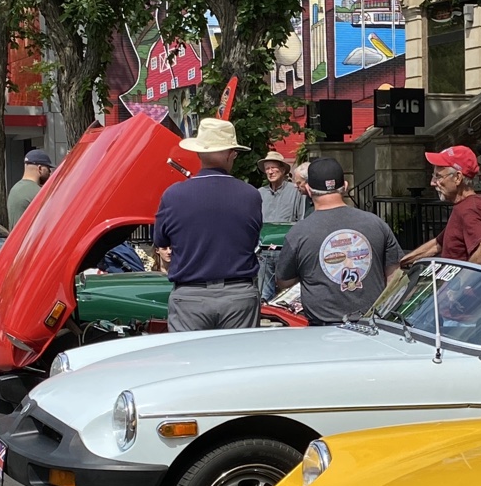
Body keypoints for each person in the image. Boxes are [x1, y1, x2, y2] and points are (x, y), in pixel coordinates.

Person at [154, 117, 262, 331]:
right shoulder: (250, 195)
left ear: (198, 153)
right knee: (239, 363)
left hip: (190, 296)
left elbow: (161, 240)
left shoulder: (174, 195)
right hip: (238, 295)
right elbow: (253, 237)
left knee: (190, 363)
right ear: (231, 154)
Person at [276, 157, 403, 326]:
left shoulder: (298, 232)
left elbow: (284, 280)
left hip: (323, 328)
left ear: (308, 188)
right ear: (345, 186)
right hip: (374, 326)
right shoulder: (376, 223)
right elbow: (395, 276)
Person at [400, 145, 481, 267]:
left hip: (465, 286)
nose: (433, 182)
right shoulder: (462, 206)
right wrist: (402, 263)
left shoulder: (470, 209)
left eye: (438, 176)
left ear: (457, 178)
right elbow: (437, 245)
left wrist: (459, 279)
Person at [257, 151, 308, 302]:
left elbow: (302, 219)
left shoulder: (295, 191)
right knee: (264, 296)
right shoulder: (260, 193)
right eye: (267, 168)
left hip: (286, 248)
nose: (270, 171)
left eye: (273, 167)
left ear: (283, 170)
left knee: (287, 295)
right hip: (263, 250)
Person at [7, 149, 54, 228]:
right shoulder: (37, 193)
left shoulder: (15, 189)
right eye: (48, 169)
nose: (50, 172)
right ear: (40, 169)